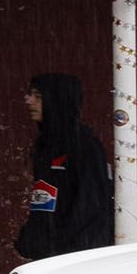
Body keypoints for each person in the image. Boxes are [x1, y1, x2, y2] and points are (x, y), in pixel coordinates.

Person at [20, 72, 115, 261]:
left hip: (76, 255)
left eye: (38, 96)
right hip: (49, 254)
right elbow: (46, 198)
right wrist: (32, 236)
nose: (28, 101)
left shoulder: (84, 144)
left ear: (56, 101)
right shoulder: (45, 144)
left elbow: (91, 204)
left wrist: (61, 245)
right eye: (30, 94)